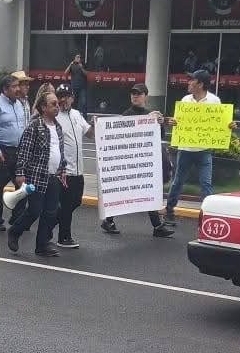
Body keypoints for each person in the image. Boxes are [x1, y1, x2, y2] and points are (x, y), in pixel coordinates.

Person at [96, 82, 174, 239]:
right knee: (125, 192)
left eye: (138, 93)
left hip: (144, 161)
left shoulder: (151, 115)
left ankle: (157, 226)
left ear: (145, 96)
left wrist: (159, 124)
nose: (135, 96)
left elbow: (159, 138)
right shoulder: (126, 115)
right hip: (129, 162)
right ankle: (109, 220)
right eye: (132, 93)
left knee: (148, 191)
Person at [7, 87, 66, 258]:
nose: (57, 107)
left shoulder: (58, 127)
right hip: (36, 176)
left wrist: (62, 170)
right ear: (43, 108)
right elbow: (24, 151)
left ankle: (42, 245)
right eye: (53, 104)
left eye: (57, 104)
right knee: (34, 210)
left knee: (51, 211)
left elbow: (59, 151)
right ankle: (15, 232)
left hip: (53, 176)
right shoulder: (34, 126)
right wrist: (20, 173)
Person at [164, 69, 225, 222]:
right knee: (178, 181)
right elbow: (178, 121)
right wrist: (173, 122)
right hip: (185, 149)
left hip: (204, 150)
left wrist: (228, 125)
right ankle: (169, 210)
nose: (189, 83)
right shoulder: (185, 100)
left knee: (206, 183)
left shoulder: (214, 101)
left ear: (201, 84)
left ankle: (207, 215)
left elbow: (220, 122)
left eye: (192, 80)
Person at [0, 73, 28, 232]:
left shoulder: (19, 105)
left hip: (19, 151)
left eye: (18, 86)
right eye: (14, 86)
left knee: (22, 185)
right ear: (5, 89)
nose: (18, 89)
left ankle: (17, 216)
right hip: (1, 150)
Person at [54, 84, 91, 248]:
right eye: (60, 96)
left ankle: (48, 222)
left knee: (76, 202)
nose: (63, 100)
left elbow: (89, 133)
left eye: (66, 96)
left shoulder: (77, 115)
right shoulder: (54, 117)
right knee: (68, 204)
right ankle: (64, 237)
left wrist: (99, 126)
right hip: (64, 171)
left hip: (78, 169)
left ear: (72, 98)